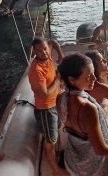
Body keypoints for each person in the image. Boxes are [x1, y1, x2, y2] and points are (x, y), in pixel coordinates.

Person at [57, 53, 108, 176]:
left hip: (75, 157)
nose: (94, 79)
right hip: (93, 165)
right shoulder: (87, 108)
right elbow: (101, 150)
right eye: (89, 76)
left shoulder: (60, 97)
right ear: (72, 80)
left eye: (94, 73)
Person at [28, 37, 68, 176]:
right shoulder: (36, 70)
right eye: (39, 51)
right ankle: (55, 170)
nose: (44, 53)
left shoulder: (47, 51)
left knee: (55, 131)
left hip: (55, 103)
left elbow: (54, 42)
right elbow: (44, 95)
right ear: (34, 51)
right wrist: (58, 79)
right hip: (46, 109)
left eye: (45, 48)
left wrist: (61, 54)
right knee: (50, 139)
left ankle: (56, 154)